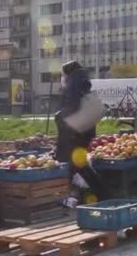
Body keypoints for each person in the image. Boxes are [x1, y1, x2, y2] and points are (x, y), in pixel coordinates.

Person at [55, 60, 104, 204]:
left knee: (76, 165)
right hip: (84, 131)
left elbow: (73, 106)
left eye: (63, 74)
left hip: (73, 134)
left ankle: (101, 193)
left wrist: (60, 115)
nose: (62, 77)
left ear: (67, 73)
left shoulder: (73, 85)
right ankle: (76, 196)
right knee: (77, 165)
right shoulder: (83, 82)